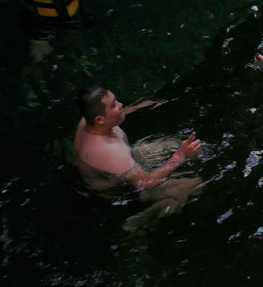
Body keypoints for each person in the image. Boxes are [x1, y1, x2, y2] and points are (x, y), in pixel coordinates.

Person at [73, 86, 201, 204]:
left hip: (126, 162)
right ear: (100, 120)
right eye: (114, 105)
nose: (120, 104)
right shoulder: (109, 152)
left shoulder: (89, 118)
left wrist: (137, 107)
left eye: (116, 100)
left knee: (173, 144)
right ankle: (141, 220)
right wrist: (180, 156)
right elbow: (145, 182)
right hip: (117, 191)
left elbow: (114, 114)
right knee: (193, 186)